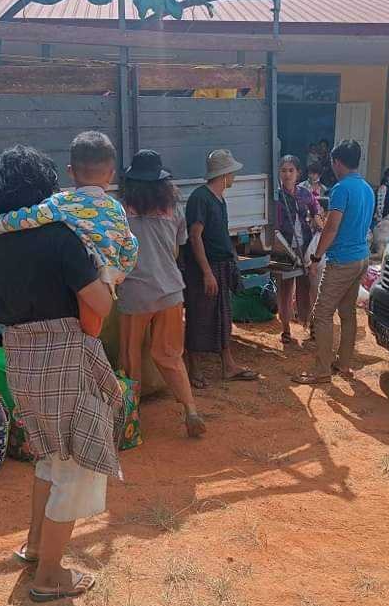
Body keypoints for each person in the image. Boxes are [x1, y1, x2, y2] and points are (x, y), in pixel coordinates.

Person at [0, 146, 123, 602]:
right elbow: (99, 304)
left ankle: (36, 546)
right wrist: (110, 276)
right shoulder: (60, 236)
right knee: (75, 467)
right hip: (64, 359)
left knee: (48, 458)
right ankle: (49, 576)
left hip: (21, 359)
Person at [0, 130, 137, 338]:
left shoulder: (61, 203)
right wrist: (122, 270)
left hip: (89, 268)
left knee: (88, 330)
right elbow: (130, 242)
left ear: (70, 171)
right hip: (108, 273)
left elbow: (30, 216)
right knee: (93, 331)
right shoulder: (116, 207)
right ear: (111, 174)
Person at [116, 150, 206, 438]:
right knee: (170, 355)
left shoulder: (120, 211)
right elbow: (177, 249)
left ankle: (131, 419)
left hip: (135, 293)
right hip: (170, 290)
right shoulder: (173, 210)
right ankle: (191, 410)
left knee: (130, 357)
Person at [298, 141, 375, 384]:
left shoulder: (341, 189)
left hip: (342, 260)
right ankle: (343, 364)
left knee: (322, 313)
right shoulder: (367, 188)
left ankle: (322, 370)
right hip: (362, 257)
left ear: (337, 162)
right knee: (347, 312)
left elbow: (331, 228)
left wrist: (316, 257)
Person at [183, 149, 258, 388]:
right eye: (232, 172)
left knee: (222, 316)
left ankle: (228, 365)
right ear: (224, 174)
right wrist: (206, 272)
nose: (234, 176)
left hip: (220, 266)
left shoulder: (219, 199)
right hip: (204, 268)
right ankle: (194, 369)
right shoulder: (201, 198)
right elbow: (195, 237)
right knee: (199, 317)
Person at [273, 155, 321, 348]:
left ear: (298, 173)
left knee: (307, 289)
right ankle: (285, 329)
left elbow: (315, 208)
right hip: (283, 250)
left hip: (305, 249)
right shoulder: (276, 197)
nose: (287, 174)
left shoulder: (305, 194)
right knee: (285, 291)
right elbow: (275, 226)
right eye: (284, 170)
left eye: (291, 170)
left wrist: (318, 220)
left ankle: (311, 326)